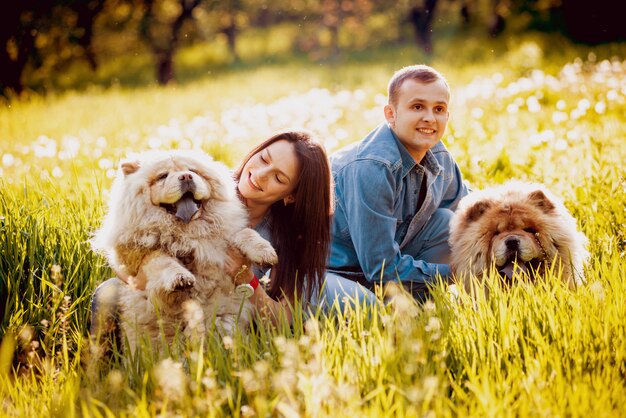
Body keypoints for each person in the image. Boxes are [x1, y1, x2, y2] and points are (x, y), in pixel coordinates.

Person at [90, 131, 347, 340]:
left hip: (231, 317)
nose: (259, 174)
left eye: (278, 177)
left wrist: (248, 280)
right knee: (109, 292)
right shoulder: (207, 183)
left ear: (291, 195)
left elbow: (283, 320)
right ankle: (103, 366)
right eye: (263, 159)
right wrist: (143, 274)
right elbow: (128, 246)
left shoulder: (292, 237)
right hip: (164, 304)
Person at [326, 64, 470, 302]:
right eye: (417, 106)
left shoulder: (438, 155)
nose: (429, 118)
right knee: (365, 307)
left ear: (447, 115)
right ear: (391, 114)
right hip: (332, 270)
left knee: (450, 223)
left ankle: (415, 304)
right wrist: (458, 274)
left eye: (439, 109)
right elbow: (380, 268)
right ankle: (389, 306)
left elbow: (471, 209)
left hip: (375, 269)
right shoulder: (372, 168)